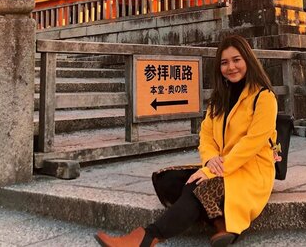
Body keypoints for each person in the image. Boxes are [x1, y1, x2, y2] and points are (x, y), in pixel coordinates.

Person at [95, 35, 278, 247]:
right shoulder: (219, 99)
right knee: (167, 180)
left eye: (236, 60)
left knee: (198, 185)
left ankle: (146, 238)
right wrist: (209, 160)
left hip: (251, 170)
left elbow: (252, 143)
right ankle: (219, 220)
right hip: (222, 165)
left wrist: (211, 171)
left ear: (248, 60)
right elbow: (206, 135)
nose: (231, 67)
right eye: (224, 62)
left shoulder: (264, 97)